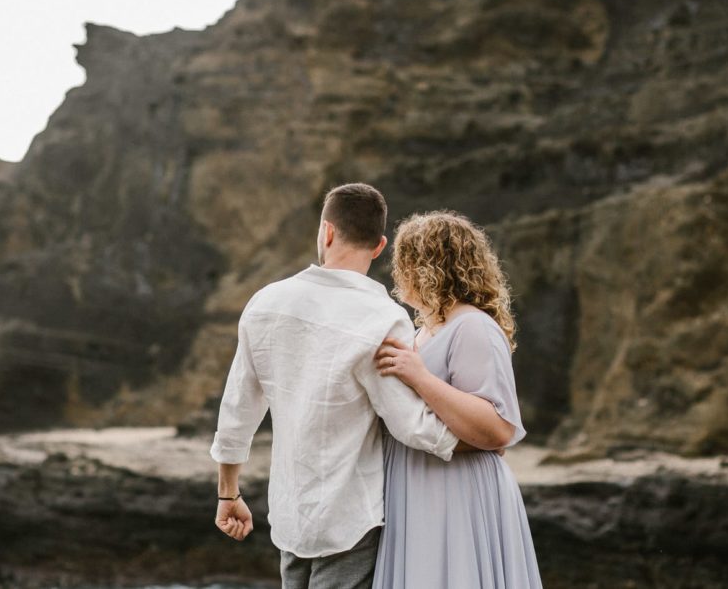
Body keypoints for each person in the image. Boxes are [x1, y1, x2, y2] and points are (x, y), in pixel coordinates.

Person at [210, 183, 482, 589]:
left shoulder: (265, 303)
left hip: (290, 516)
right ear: (379, 246)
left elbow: (238, 413)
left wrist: (228, 495)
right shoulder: (383, 318)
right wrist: (482, 436)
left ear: (327, 232)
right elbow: (410, 425)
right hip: (350, 519)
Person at [371, 210, 542, 588]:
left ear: (428, 266)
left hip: (459, 497)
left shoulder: (473, 326)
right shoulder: (424, 332)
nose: (398, 275)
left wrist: (418, 376)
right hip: (420, 491)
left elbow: (496, 429)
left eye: (405, 263)